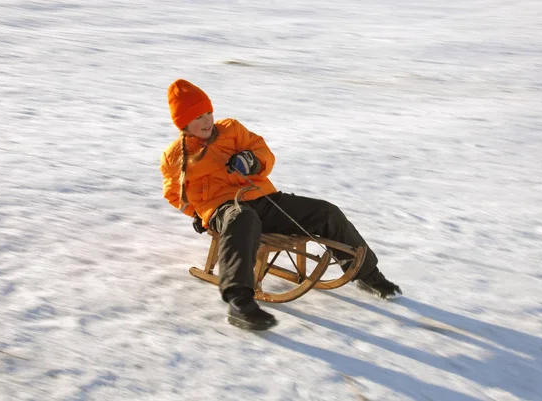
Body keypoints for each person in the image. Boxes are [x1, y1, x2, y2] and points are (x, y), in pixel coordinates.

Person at [160, 79, 402, 331]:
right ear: (183, 122)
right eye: (198, 116)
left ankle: (368, 275)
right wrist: (197, 214)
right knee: (242, 217)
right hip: (225, 208)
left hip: (263, 198)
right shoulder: (176, 156)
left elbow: (263, 151)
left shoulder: (231, 129)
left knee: (326, 212)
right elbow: (174, 194)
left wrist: (252, 161)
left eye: (209, 112)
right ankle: (239, 301)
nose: (207, 120)